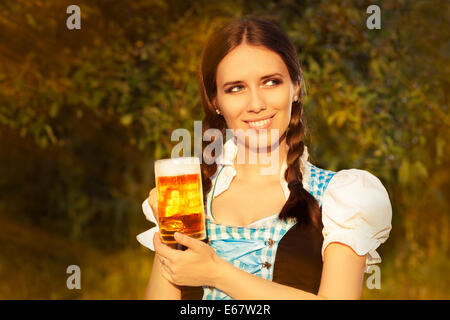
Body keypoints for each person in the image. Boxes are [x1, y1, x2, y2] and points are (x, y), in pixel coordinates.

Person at [136, 16, 392, 300]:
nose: (256, 104)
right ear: (215, 101)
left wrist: (215, 273)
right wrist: (172, 238)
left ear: (295, 86)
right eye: (236, 88)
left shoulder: (339, 197)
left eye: (271, 82)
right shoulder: (191, 194)